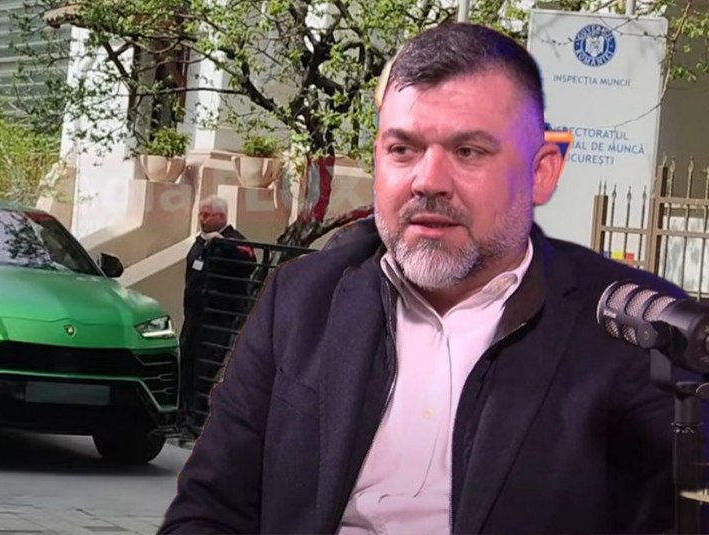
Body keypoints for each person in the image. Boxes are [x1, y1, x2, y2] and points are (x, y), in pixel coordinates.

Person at [160, 23, 684, 534]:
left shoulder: (634, 330)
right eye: (403, 150)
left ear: (541, 171)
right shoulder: (301, 299)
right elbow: (208, 510)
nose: (428, 181)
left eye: (468, 151)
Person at [178, 195, 256, 433]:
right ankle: (182, 416)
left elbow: (248, 262)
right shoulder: (200, 242)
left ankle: (198, 419)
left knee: (207, 369)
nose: (201, 219)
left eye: (206, 214)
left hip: (218, 317)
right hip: (195, 316)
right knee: (187, 365)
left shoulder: (235, 241)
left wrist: (222, 245)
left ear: (221, 216)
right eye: (200, 214)